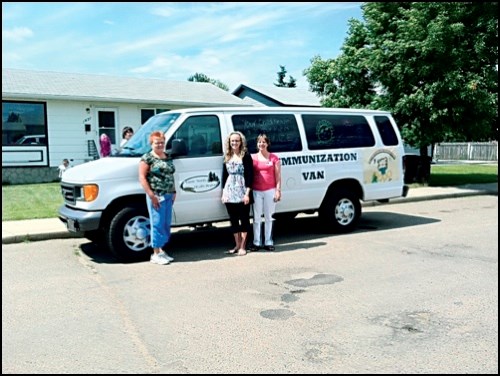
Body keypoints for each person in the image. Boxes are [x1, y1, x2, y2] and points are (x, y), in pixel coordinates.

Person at [138, 131, 177, 265]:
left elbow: (171, 175)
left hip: (168, 194)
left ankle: (161, 250)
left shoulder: (167, 157)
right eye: (157, 143)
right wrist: (151, 195)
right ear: (151, 143)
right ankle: (155, 253)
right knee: (157, 223)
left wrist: (174, 191)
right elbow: (142, 177)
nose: (160, 145)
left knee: (166, 223)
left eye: (162, 142)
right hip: (156, 195)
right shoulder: (147, 158)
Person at [221, 131, 253, 256]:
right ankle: (237, 244)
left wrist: (247, 194)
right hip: (230, 190)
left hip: (242, 190)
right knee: (233, 219)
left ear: (241, 142)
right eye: (232, 141)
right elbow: (224, 175)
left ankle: (243, 246)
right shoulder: (227, 156)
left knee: (244, 219)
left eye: (237, 141)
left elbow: (250, 176)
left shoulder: (245, 156)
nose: (234, 143)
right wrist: (224, 193)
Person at [249, 134, 281, 252]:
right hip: (257, 191)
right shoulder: (253, 158)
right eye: (259, 142)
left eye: (264, 142)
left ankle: (268, 241)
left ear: (268, 144)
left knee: (268, 217)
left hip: (270, 191)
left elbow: (278, 177)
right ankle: (256, 242)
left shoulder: (274, 158)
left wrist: (278, 191)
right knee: (257, 218)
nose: (261, 144)